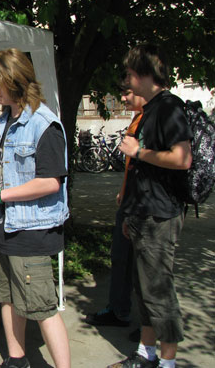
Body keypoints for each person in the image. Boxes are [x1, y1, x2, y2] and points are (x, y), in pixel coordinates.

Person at [0, 48, 70, 368]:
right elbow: (0, 171)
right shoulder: (4, 121)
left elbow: (50, 182)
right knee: (7, 297)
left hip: (30, 232)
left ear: (16, 81)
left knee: (42, 308)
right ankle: (16, 359)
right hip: (1, 228)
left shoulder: (44, 125)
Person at [108, 44, 192, 368]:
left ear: (143, 74)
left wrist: (138, 152)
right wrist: (129, 212)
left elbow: (182, 159)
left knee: (159, 292)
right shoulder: (150, 110)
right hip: (142, 213)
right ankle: (147, 354)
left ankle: (167, 362)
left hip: (160, 215)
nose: (126, 81)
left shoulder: (169, 107)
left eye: (130, 74)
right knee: (143, 290)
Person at [85, 88, 147, 341]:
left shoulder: (154, 119)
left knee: (145, 269)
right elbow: (132, 168)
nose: (122, 98)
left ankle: (151, 328)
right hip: (130, 202)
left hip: (145, 207)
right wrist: (123, 192)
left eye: (128, 91)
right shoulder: (138, 119)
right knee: (121, 258)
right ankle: (119, 310)